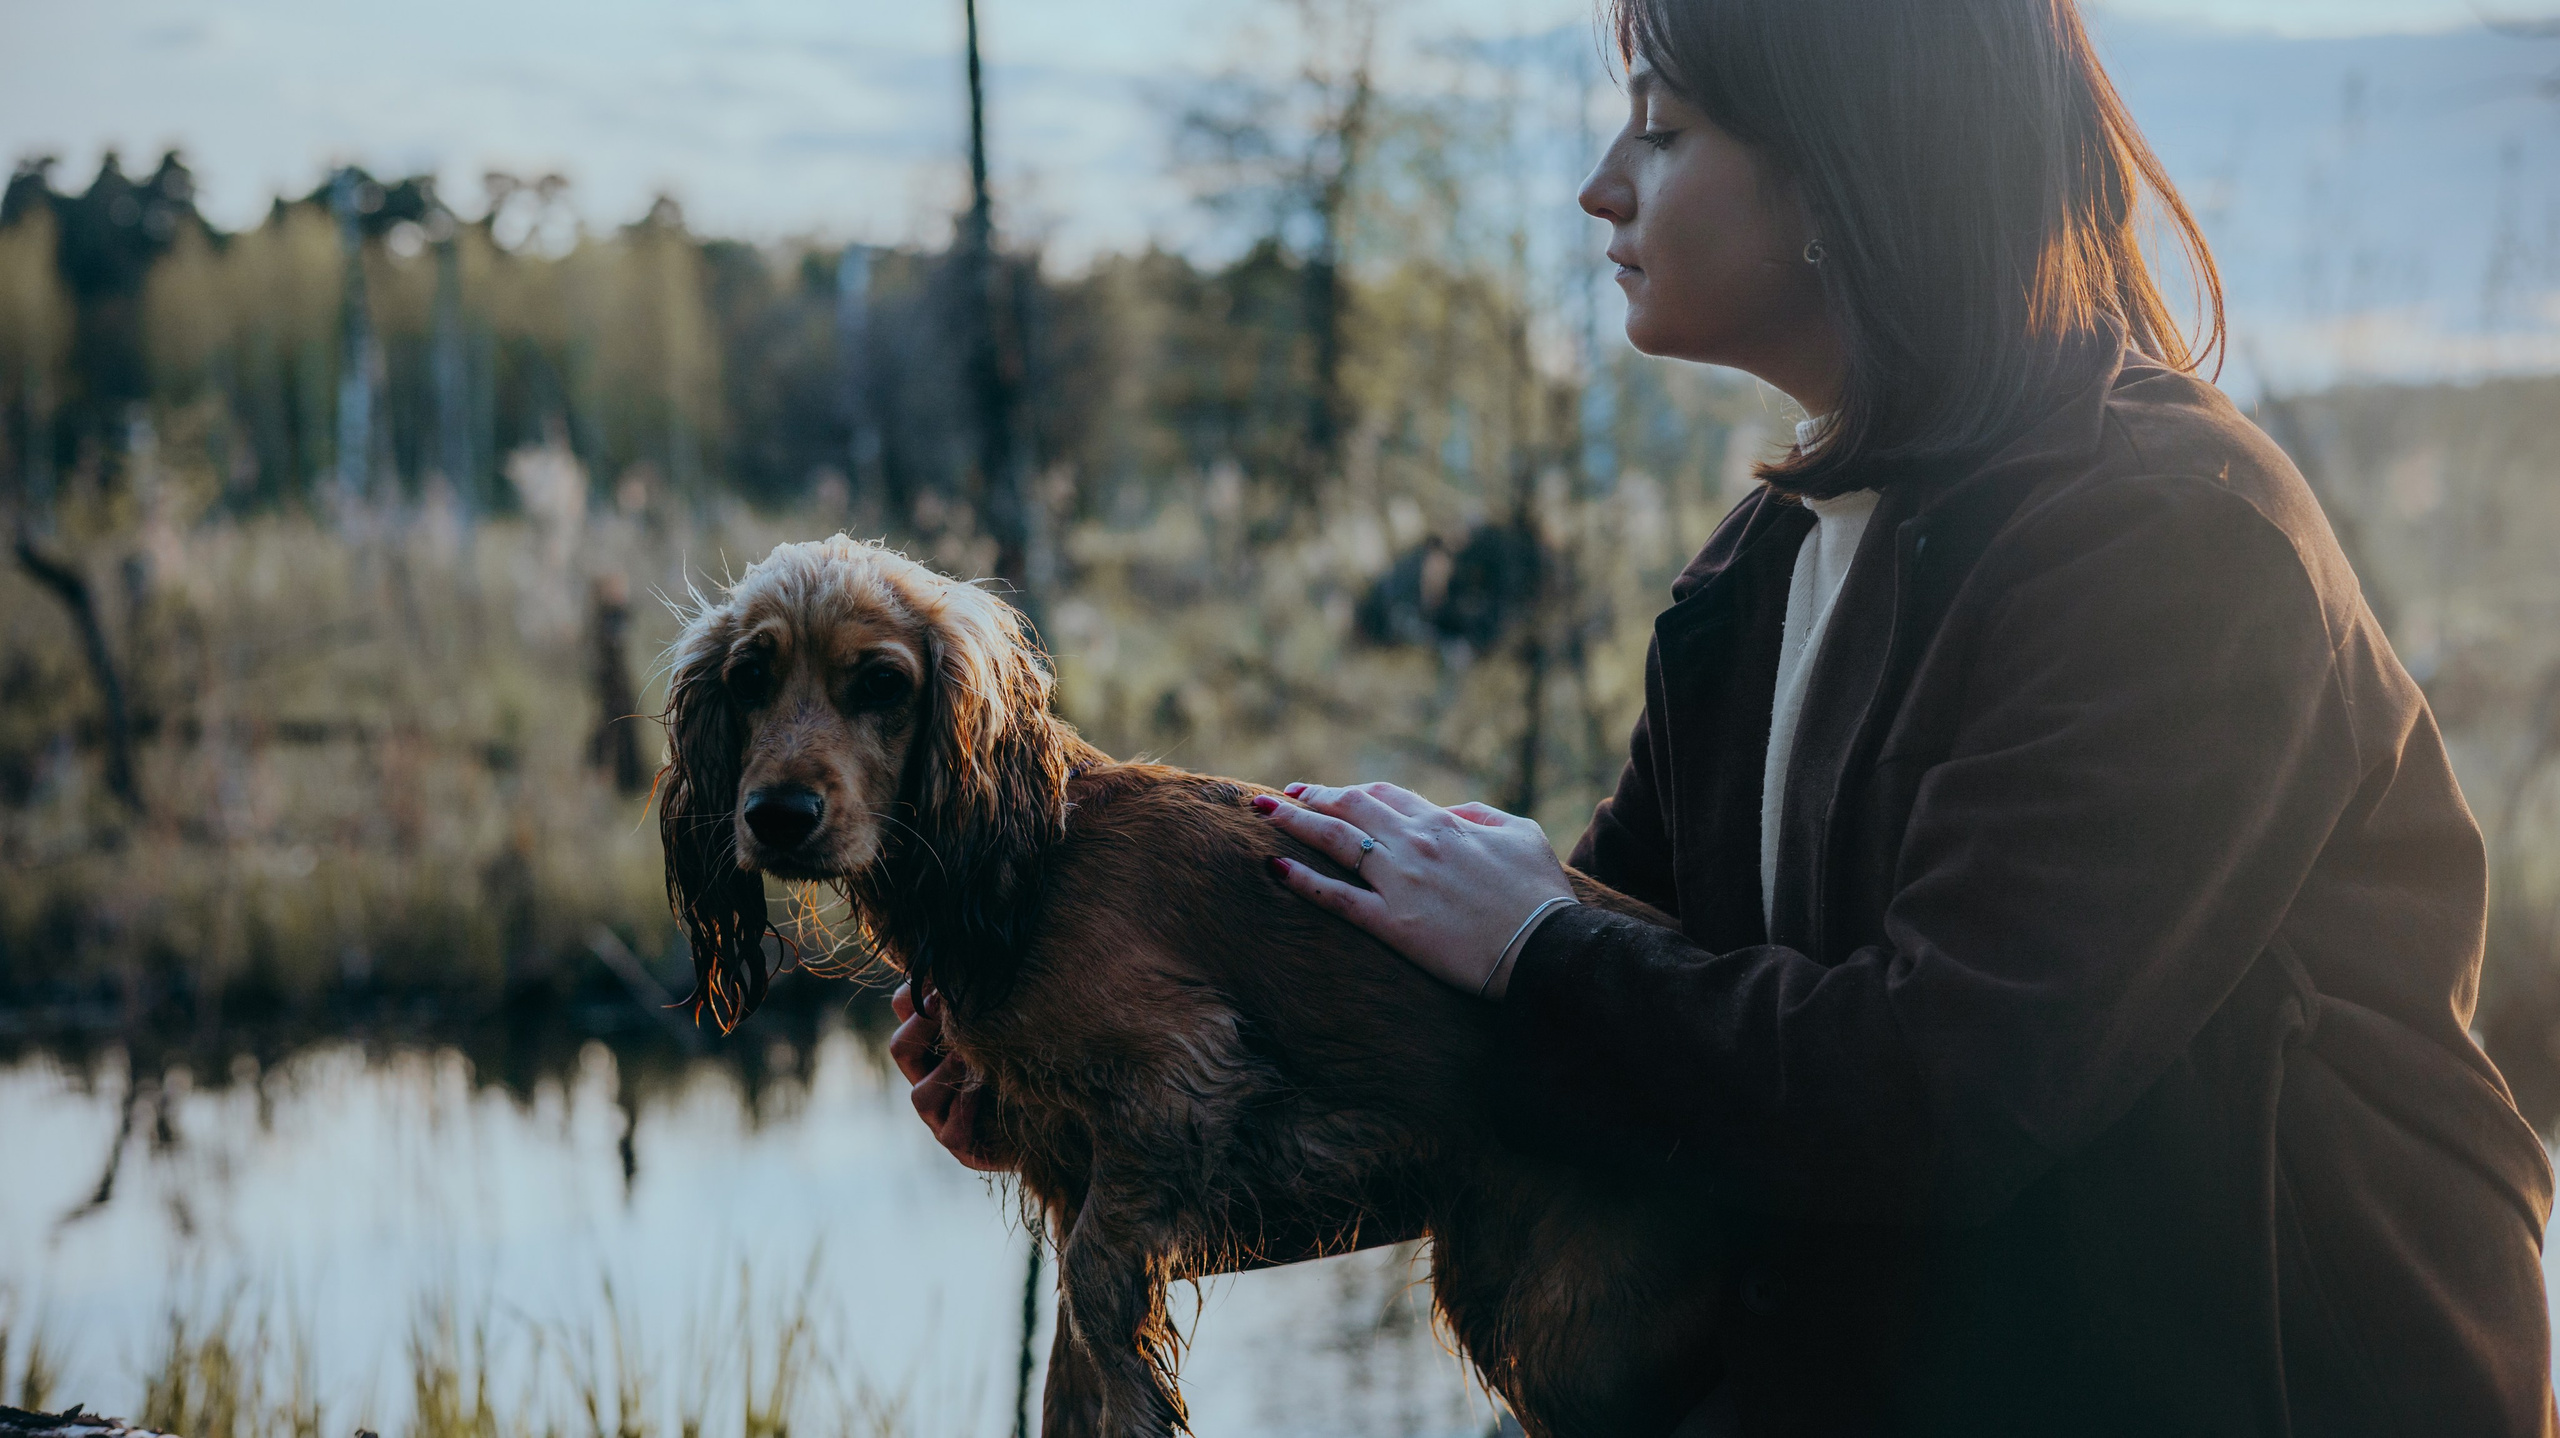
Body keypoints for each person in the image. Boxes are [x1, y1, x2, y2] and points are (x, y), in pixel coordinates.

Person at [894, 0, 2558, 1432]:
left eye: (1666, 132)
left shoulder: (2175, 543)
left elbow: (1940, 1092)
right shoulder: (1760, 574)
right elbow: (1550, 1094)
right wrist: (1088, 1107)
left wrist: (1540, 944)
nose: (1602, 184)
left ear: (1851, 168)